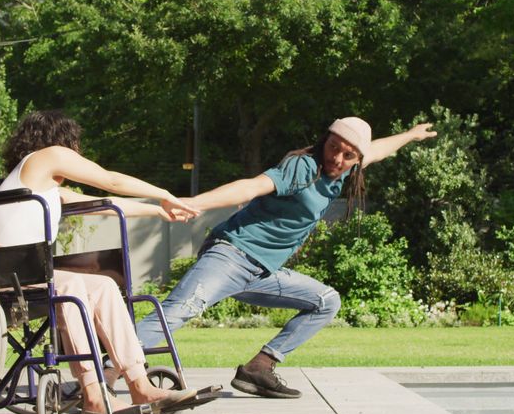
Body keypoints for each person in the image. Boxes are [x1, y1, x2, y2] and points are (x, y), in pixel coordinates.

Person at [133, 117, 437, 398]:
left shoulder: (346, 170)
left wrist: (410, 135)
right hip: (231, 256)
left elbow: (379, 149)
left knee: (326, 301)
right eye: (334, 148)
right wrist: (194, 203)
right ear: (325, 140)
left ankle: (258, 369)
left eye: (348, 156)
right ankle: (102, 371)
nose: (337, 159)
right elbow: (251, 187)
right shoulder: (303, 167)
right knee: (178, 311)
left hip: (261, 272)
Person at [0, 110, 202, 414]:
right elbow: (111, 180)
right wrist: (164, 193)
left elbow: (107, 204)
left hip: (22, 275)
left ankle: (140, 385)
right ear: (63, 142)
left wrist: (158, 212)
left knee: (103, 285)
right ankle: (92, 394)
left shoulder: (46, 186)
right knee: (70, 287)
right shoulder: (46, 156)